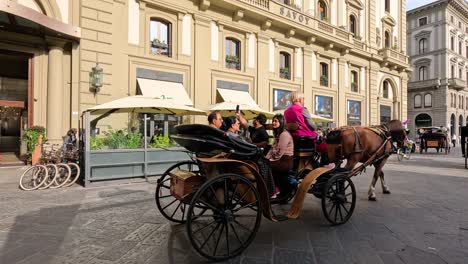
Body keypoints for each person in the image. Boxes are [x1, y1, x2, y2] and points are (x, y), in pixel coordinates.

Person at [284, 92, 332, 167]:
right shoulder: (302, 110)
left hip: (293, 139)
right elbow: (311, 125)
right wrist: (317, 128)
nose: (304, 101)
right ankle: (325, 164)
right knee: (325, 146)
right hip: (305, 139)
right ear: (299, 99)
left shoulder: (286, 111)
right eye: (303, 99)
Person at [266, 114, 294, 202]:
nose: (273, 123)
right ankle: (274, 189)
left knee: (266, 165)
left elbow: (278, 153)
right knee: (264, 163)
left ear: (281, 122)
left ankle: (273, 191)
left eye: (276, 121)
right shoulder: (278, 134)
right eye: (273, 121)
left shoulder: (284, 134)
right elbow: (272, 150)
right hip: (280, 159)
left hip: (286, 161)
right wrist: (266, 158)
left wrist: (269, 159)